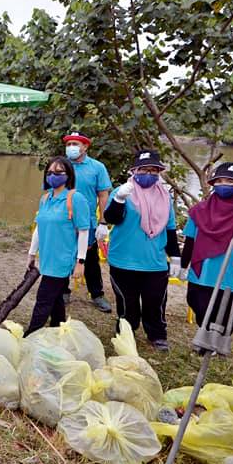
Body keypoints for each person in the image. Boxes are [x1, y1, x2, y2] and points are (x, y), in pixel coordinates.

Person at [102, 150, 181, 351]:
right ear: (134, 170)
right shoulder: (123, 191)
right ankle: (125, 333)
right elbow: (112, 219)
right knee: (127, 304)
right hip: (123, 260)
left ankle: (157, 335)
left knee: (155, 301)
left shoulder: (164, 197)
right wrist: (119, 199)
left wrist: (175, 257)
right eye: (144, 169)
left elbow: (170, 228)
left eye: (154, 170)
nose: (149, 174)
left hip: (154, 262)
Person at [179, 162, 233, 333]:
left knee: (224, 313)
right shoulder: (200, 210)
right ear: (213, 184)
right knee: (198, 303)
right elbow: (190, 241)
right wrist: (183, 265)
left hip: (231, 274)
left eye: (229, 182)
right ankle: (204, 333)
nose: (223, 185)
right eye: (219, 181)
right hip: (202, 273)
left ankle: (217, 341)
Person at [26, 157, 91, 333]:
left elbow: (84, 231)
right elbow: (39, 227)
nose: (54, 176)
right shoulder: (45, 198)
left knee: (43, 299)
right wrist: (32, 253)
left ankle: (29, 337)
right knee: (55, 300)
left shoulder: (75, 199)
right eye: (50, 172)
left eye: (59, 172)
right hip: (47, 257)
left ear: (68, 175)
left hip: (62, 259)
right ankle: (58, 329)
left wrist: (80, 261)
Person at [62, 131, 113, 313]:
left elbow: (103, 194)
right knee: (65, 254)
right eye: (68, 144)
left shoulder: (97, 167)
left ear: (85, 147)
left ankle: (97, 294)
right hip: (64, 220)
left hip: (88, 221)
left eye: (75, 144)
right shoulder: (62, 166)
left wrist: (103, 221)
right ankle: (62, 290)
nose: (71, 148)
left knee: (90, 258)